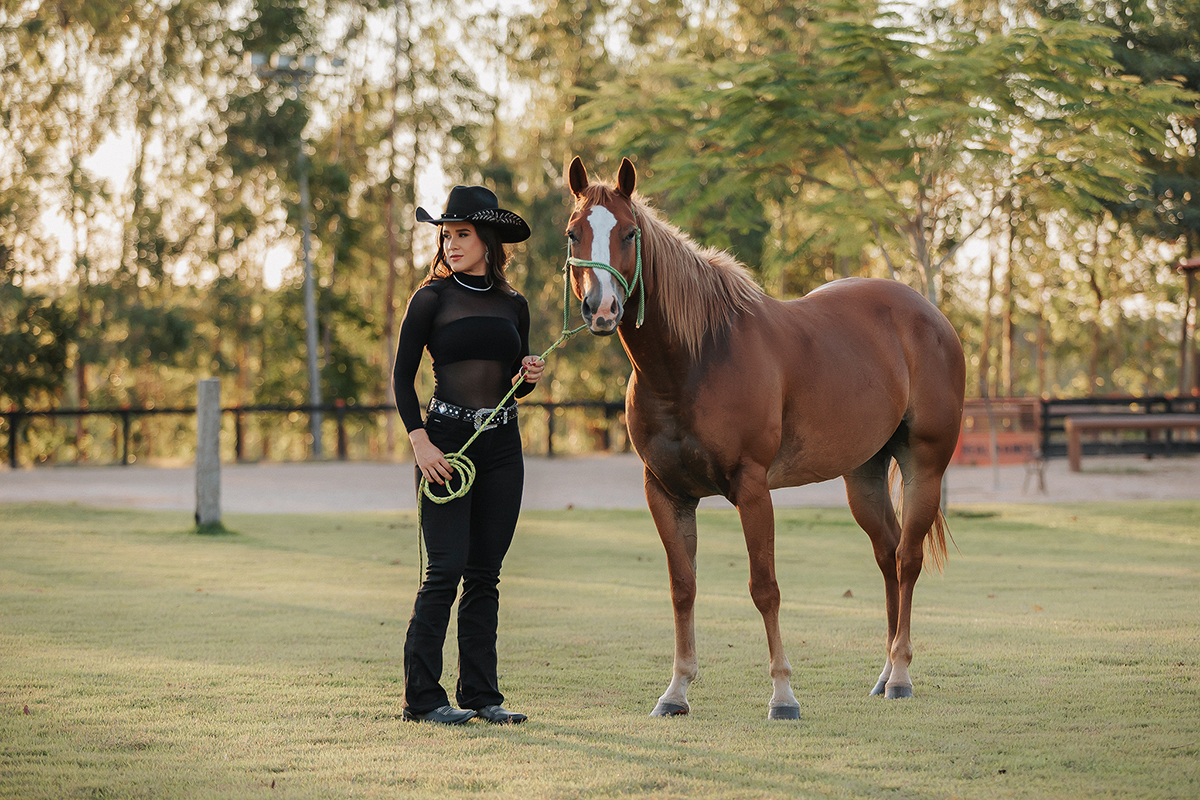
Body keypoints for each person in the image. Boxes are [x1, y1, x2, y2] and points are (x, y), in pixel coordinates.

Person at [393, 185, 544, 725]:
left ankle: (482, 696)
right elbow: (401, 377)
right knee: (445, 570)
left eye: (462, 234)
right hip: (444, 447)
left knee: (484, 574)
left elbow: (510, 385)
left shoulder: (514, 304)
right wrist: (420, 440)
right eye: (446, 234)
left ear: (488, 240)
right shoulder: (431, 298)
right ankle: (423, 699)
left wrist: (525, 379)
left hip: (503, 446)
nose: (451, 244)